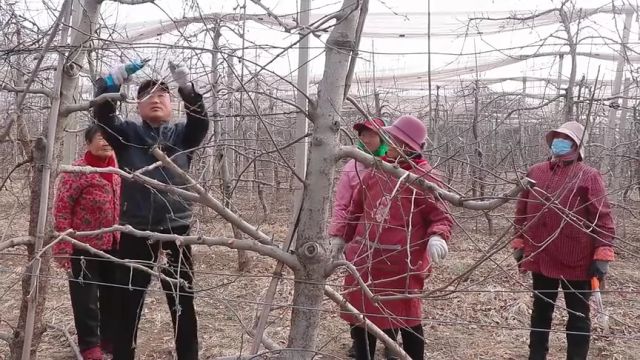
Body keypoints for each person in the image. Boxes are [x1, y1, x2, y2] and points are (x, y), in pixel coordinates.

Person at [93, 61, 209, 360]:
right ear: (137, 105)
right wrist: (111, 85)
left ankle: (188, 355)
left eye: (163, 94)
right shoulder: (127, 134)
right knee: (128, 300)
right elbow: (103, 117)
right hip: (136, 228)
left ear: (172, 104)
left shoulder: (183, 136)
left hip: (176, 228)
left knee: (182, 299)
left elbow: (201, 122)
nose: (155, 99)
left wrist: (188, 89)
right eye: (147, 95)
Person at [329, 115, 453, 360]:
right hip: (365, 262)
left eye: (394, 139)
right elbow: (355, 210)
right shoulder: (377, 171)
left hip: (402, 267)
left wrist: (438, 236)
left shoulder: (425, 178)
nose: (389, 143)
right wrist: (340, 237)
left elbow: (441, 216)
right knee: (362, 318)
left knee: (407, 319)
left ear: (407, 145)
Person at [511, 121, 616, 360]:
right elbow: (522, 211)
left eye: (566, 138)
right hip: (540, 254)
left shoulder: (588, 176)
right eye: (557, 137)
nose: (559, 141)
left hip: (577, 259)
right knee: (540, 312)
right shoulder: (535, 172)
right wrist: (519, 241)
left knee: (578, 316)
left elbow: (603, 218)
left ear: (576, 145)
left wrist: (603, 254)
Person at [52, 125, 121, 360]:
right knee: (86, 299)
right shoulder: (77, 170)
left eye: (110, 137)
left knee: (113, 294)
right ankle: (90, 345)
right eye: (101, 137)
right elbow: (62, 208)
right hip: (83, 246)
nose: (106, 142)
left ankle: (110, 339)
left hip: (114, 243)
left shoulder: (120, 168)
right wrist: (63, 245)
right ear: (88, 142)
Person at [328, 118, 390, 358]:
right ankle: (361, 343)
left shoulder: (393, 164)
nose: (365, 139)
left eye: (370, 134)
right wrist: (338, 235)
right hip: (359, 241)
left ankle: (390, 341)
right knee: (358, 295)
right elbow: (343, 205)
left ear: (383, 137)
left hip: (388, 242)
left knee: (387, 294)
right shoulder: (352, 167)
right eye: (362, 135)